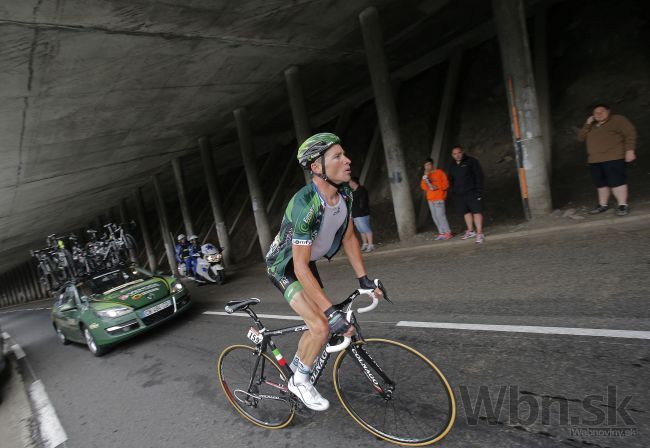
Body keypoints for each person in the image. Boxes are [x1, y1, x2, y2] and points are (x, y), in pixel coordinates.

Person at [265, 132, 384, 411]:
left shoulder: (345, 194)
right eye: (338, 157)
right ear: (317, 168)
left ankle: (296, 366)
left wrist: (363, 279)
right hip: (286, 268)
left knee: (318, 322)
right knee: (321, 325)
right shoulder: (306, 204)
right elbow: (298, 266)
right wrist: (330, 313)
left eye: (344, 154)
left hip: (306, 265)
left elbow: (349, 237)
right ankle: (300, 381)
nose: (348, 160)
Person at [577, 104, 637, 216]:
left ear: (609, 111)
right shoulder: (591, 125)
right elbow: (580, 138)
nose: (599, 114)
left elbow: (630, 133)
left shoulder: (618, 119)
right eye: (596, 113)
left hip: (613, 157)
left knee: (617, 182)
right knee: (600, 184)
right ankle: (602, 205)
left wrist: (630, 150)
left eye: (602, 111)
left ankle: (622, 205)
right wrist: (587, 123)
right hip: (594, 160)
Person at [448, 146, 485, 244]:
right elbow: (450, 179)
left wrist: (479, 191)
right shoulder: (452, 165)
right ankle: (471, 231)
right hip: (459, 194)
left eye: (459, 152)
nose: (457, 155)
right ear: (452, 155)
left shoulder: (471, 161)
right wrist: (453, 191)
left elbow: (479, 176)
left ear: (462, 152)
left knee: (476, 211)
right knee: (466, 212)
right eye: (455, 154)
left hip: (472, 192)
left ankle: (479, 233)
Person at [420, 158, 451, 240]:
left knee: (440, 215)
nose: (428, 166)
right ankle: (441, 233)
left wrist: (437, 187)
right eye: (426, 165)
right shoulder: (426, 176)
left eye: (429, 164)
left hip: (439, 197)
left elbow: (446, 184)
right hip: (430, 199)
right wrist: (425, 179)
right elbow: (423, 187)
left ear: (432, 164)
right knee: (435, 216)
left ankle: (448, 232)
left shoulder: (439, 172)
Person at [348, 177, 374, 252]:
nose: (349, 184)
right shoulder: (353, 192)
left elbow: (364, 202)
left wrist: (362, 210)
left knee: (366, 229)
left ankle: (371, 245)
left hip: (362, 214)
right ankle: (365, 243)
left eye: (350, 182)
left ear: (354, 182)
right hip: (355, 214)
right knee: (361, 230)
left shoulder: (361, 190)